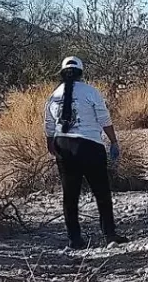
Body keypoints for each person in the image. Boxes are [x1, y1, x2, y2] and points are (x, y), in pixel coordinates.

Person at [44, 56, 129, 249]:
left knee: (70, 194)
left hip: (63, 145)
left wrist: (51, 143)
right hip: (89, 145)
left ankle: (75, 239)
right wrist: (114, 141)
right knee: (101, 192)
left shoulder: (54, 94)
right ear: (81, 73)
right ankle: (109, 234)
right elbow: (104, 118)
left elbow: (48, 122)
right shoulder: (91, 92)